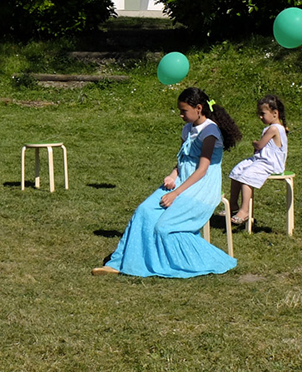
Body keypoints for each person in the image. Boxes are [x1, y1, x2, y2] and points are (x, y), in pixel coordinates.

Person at [92, 87, 241, 278]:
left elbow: (202, 170)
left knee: (164, 227)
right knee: (144, 211)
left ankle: (208, 260)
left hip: (201, 187)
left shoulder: (210, 132)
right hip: (181, 181)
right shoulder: (187, 128)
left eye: (184, 111)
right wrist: (172, 175)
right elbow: (182, 160)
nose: (180, 115)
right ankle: (121, 262)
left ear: (198, 108)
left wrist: (175, 193)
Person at [227, 95, 289, 226]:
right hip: (261, 160)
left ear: (275, 113)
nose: (260, 117)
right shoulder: (273, 128)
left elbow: (260, 145)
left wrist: (254, 143)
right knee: (237, 170)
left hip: (271, 163)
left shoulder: (273, 129)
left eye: (262, 114)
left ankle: (245, 210)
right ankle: (233, 204)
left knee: (246, 176)